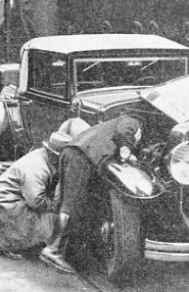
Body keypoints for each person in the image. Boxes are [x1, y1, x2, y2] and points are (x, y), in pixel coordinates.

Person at [39, 113, 144, 273]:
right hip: (82, 156)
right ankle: (53, 250)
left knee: (68, 202)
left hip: (75, 152)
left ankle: (56, 246)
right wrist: (128, 154)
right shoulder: (132, 121)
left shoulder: (113, 120)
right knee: (71, 204)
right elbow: (123, 134)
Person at [0, 131, 73, 261]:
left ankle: (23, 244)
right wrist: (57, 206)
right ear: (55, 156)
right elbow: (36, 201)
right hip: (5, 204)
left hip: (10, 200)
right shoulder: (36, 168)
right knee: (51, 221)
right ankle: (13, 246)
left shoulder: (44, 157)